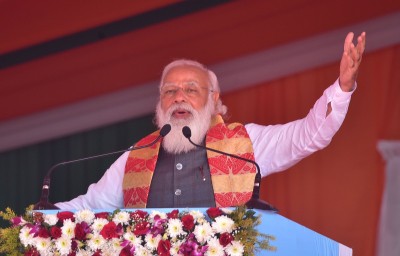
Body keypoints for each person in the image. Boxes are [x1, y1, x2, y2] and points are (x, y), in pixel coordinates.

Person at [55, 32, 366, 210]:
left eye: (191, 90)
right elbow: (90, 206)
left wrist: (342, 88)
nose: (179, 97)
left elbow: (308, 135)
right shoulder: (136, 155)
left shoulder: (245, 143)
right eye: (170, 91)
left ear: (215, 99)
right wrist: (42, 219)